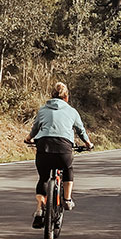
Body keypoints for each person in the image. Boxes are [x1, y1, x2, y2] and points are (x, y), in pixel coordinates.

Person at [25, 82, 93, 228]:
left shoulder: (43, 110)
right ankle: (67, 199)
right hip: (64, 147)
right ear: (66, 97)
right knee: (68, 168)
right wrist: (88, 144)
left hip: (44, 146)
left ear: (52, 96)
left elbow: (36, 128)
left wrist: (29, 138)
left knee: (43, 178)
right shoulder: (72, 111)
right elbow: (80, 130)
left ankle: (39, 210)